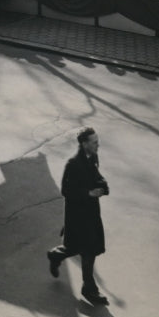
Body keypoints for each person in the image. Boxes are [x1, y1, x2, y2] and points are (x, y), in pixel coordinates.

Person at [47, 127, 110, 306]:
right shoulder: (73, 164)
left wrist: (103, 185)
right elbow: (66, 191)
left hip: (91, 214)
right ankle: (89, 289)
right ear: (84, 144)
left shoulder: (92, 158)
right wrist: (89, 193)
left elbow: (96, 176)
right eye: (94, 142)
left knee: (78, 248)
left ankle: (55, 255)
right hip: (77, 216)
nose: (98, 145)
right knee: (87, 250)